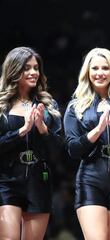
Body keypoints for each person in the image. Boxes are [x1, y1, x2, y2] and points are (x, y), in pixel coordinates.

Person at [63, 48, 110, 239]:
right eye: (95, 68)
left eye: (105, 68)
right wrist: (97, 130)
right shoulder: (76, 106)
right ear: (87, 72)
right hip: (90, 178)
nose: (100, 73)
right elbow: (73, 149)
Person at [0, 47, 62, 239]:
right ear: (14, 69)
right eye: (27, 68)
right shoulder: (2, 105)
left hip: (38, 180)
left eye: (36, 68)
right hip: (6, 180)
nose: (33, 72)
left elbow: (59, 149)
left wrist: (42, 128)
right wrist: (21, 131)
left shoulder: (48, 105)